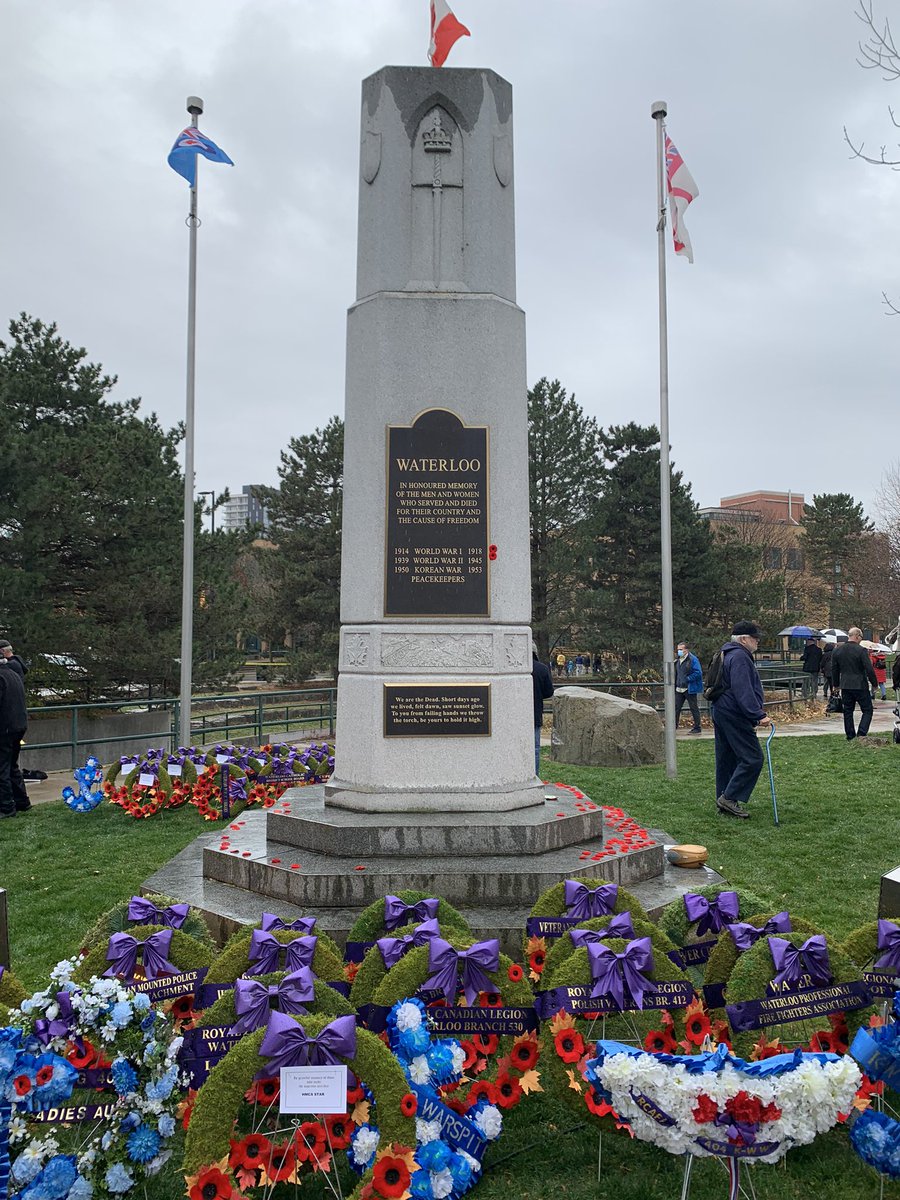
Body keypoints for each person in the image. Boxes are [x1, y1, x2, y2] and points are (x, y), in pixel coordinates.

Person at [710, 620, 771, 819]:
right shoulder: (740, 657)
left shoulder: (727, 653)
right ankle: (729, 797)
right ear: (744, 639)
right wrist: (758, 715)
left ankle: (724, 799)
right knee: (753, 758)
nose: (757, 641)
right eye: (755, 638)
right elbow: (742, 689)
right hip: (734, 713)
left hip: (721, 709)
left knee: (726, 758)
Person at [832, 627, 878, 740]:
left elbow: (834, 669)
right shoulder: (861, 650)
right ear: (857, 636)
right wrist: (874, 683)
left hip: (845, 684)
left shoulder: (838, 650)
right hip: (860, 684)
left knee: (848, 711)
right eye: (861, 637)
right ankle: (861, 733)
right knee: (867, 710)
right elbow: (869, 669)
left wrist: (836, 685)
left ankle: (850, 735)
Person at [0, 654, 30, 818]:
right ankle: (22, 801)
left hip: (5, 728)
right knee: (12, 765)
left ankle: (6, 807)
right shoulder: (13, 674)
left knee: (2, 768)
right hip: (18, 726)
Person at [532, 645, 554, 775]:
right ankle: (534, 775)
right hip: (535, 713)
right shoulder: (542, 669)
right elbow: (549, 692)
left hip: (513, 716)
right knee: (534, 748)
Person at [674, 640, 703, 733]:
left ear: (686, 650)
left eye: (680, 649)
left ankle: (697, 727)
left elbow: (698, 672)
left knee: (693, 708)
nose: (679, 651)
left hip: (689, 688)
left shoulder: (693, 659)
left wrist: (687, 679)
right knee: (676, 708)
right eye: (678, 649)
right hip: (679, 688)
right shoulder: (678, 660)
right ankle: (674, 726)